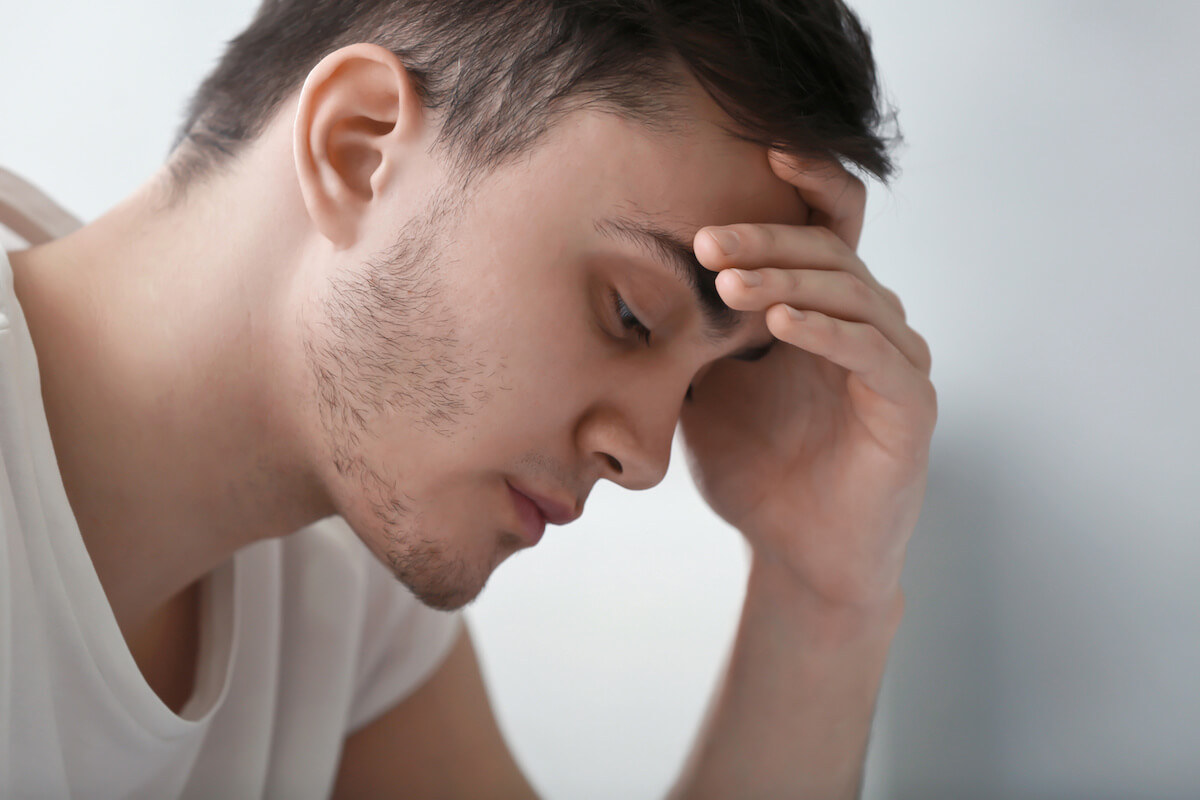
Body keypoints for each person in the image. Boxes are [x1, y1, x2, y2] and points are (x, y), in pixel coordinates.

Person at [0, 0, 936, 796]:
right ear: (358, 148)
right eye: (630, 314)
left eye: (704, 378)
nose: (648, 460)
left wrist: (818, 592)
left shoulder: (343, 592)